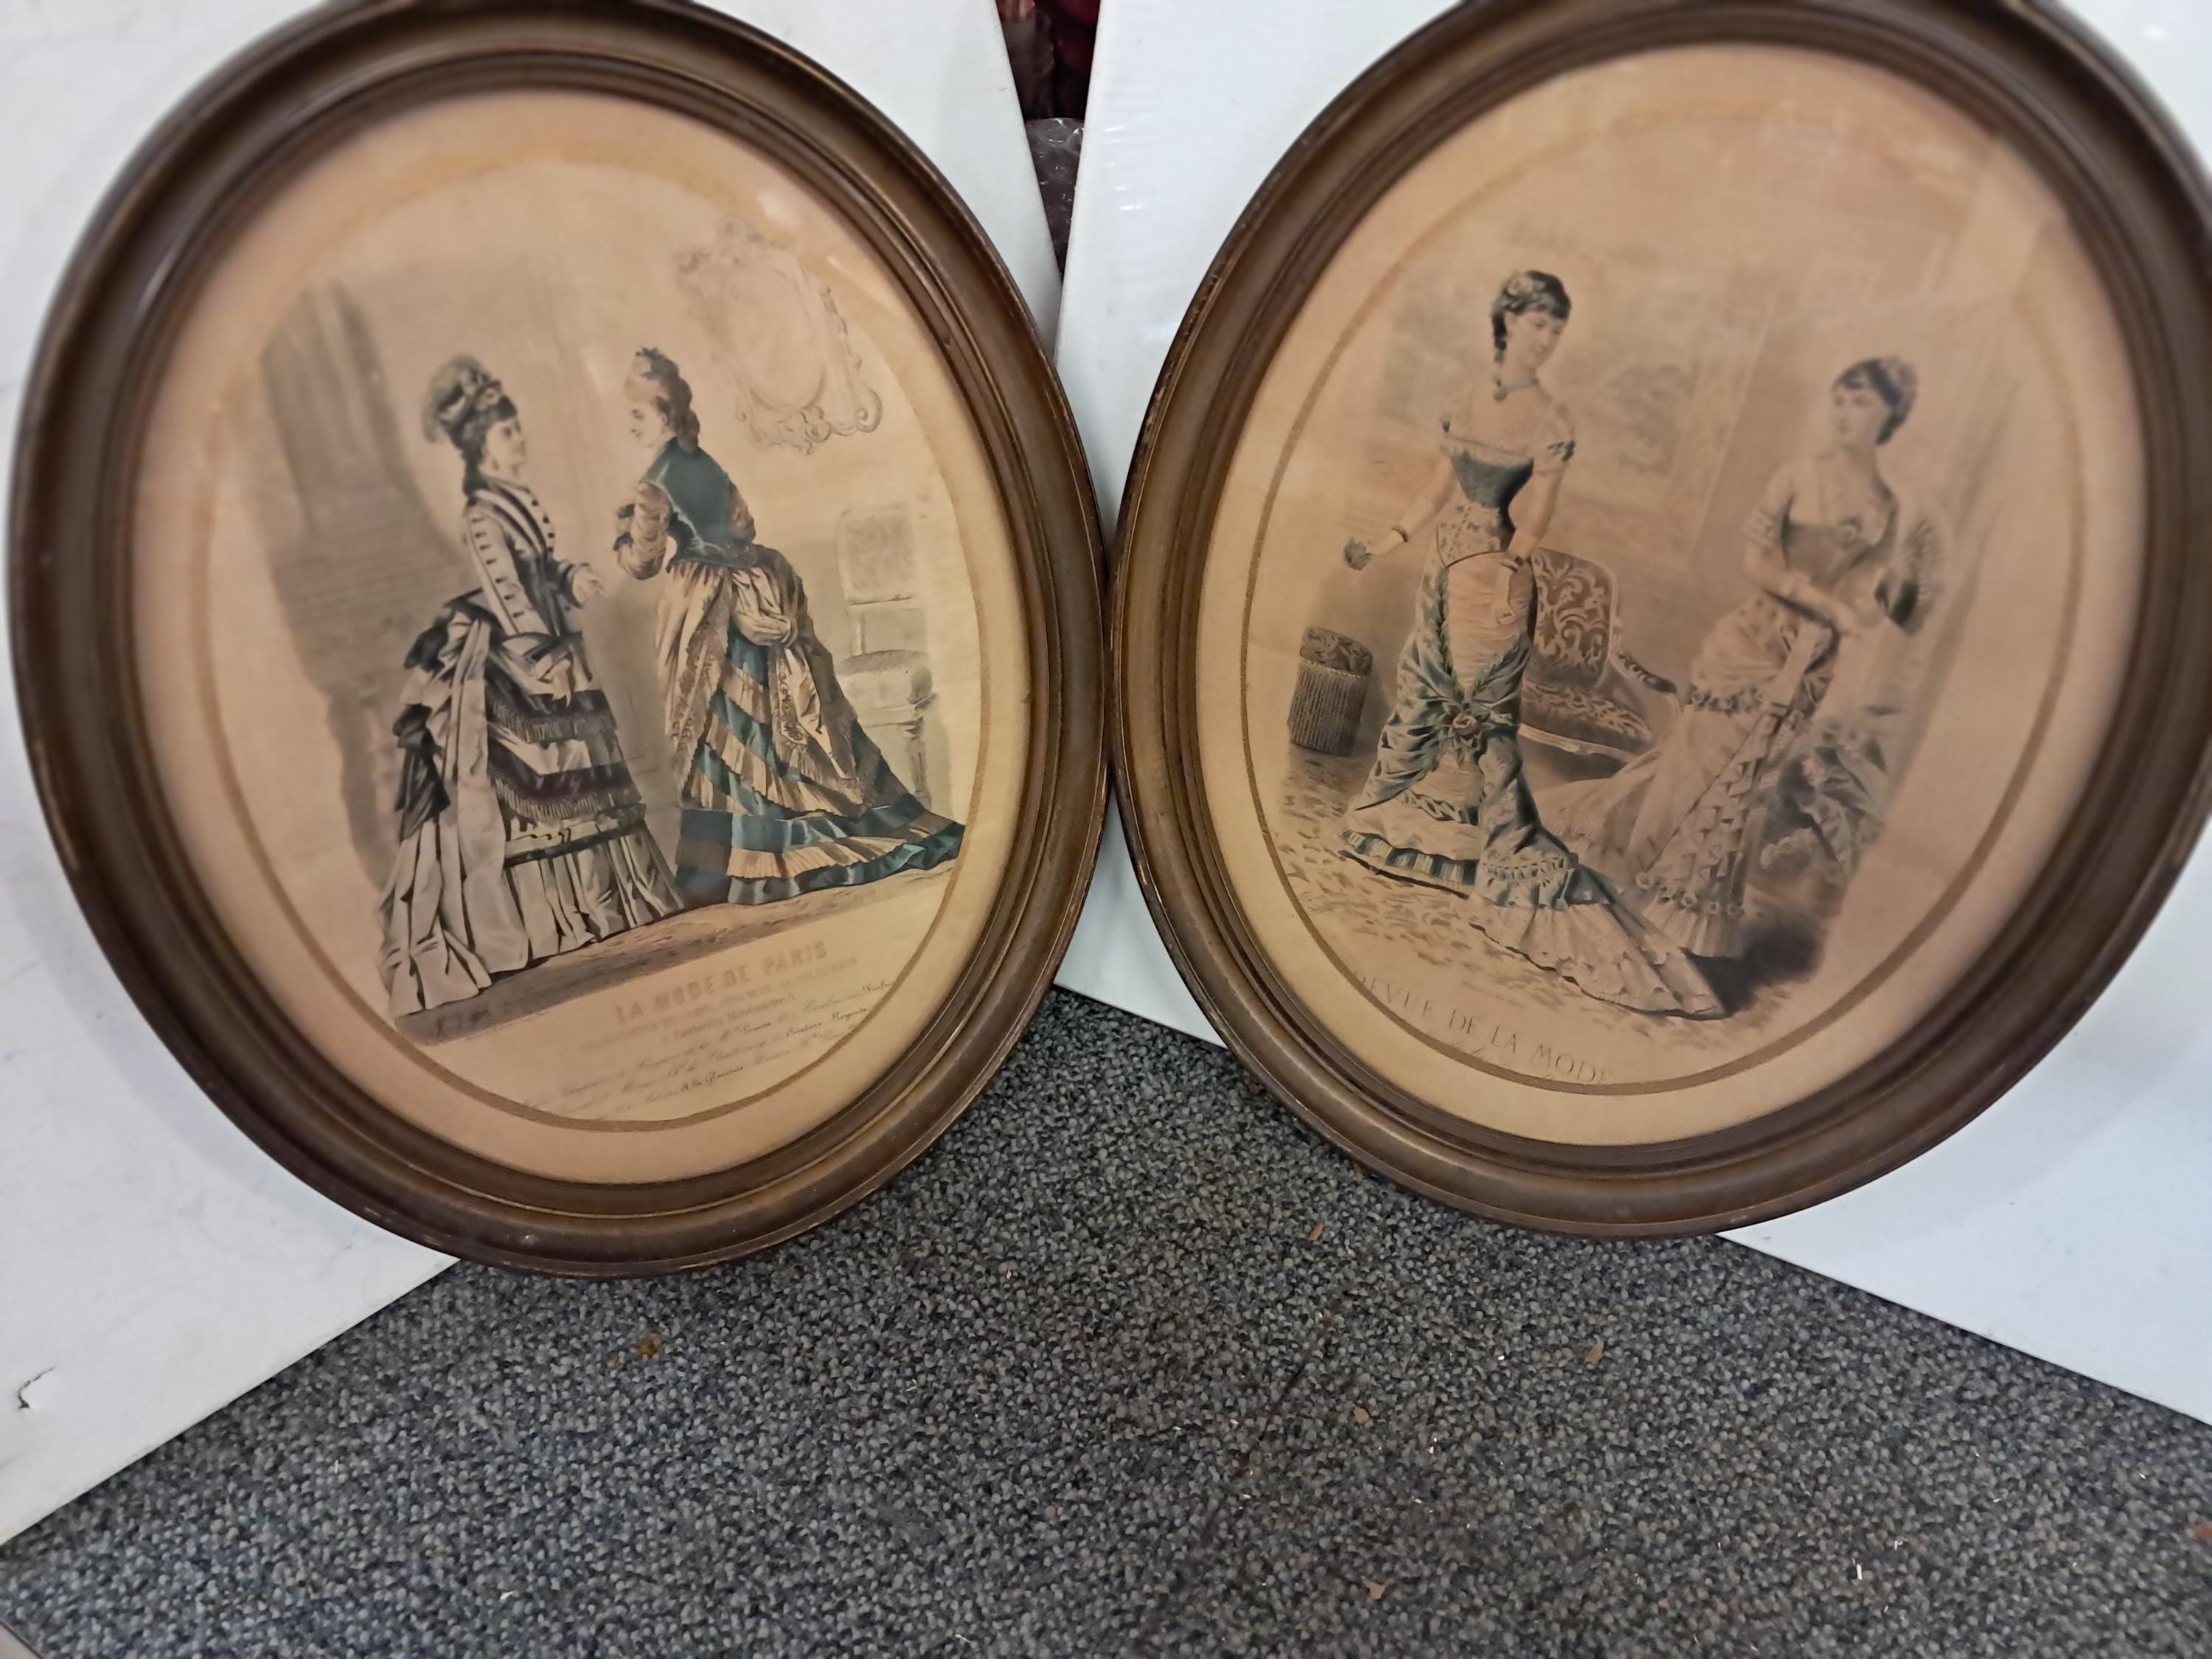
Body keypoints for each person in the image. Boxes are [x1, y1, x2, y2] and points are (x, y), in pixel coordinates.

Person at [1339, 271, 1719, 1018]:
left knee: (1479, 712)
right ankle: (1412, 837)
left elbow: (1539, 511)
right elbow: (1433, 488)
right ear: (1507, 320)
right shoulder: (1466, 398)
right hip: (1442, 563)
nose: (1548, 339)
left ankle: (1486, 847)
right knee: (1428, 692)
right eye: (1539, 323)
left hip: (1492, 570)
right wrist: (1384, 542)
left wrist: (1511, 569)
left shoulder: (1550, 416)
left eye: (1557, 329)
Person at [1548, 357, 1944, 957]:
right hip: (1753, 643)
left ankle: (1673, 917)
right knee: (1690, 767)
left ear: (1892, 414)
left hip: (1811, 662)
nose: (1844, 414)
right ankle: (1623, 886)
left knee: (1743, 789)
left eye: (1861, 402)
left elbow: (1865, 606)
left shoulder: (1889, 510)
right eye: (1839, 400)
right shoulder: (1797, 477)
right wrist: (1821, 602)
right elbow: (1758, 562)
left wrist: (1884, 596)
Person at [379, 357, 681, 1018]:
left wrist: (572, 577)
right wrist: (543, 657)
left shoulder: (516, 498)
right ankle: (557, 921)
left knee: (586, 780)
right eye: (508, 431)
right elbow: (508, 594)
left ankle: (607, 905)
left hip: (555, 643)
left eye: (517, 428)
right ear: (481, 445)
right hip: (521, 661)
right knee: (546, 785)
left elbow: (540, 569)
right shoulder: (481, 513)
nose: (519, 439)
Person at [613, 348, 962, 907]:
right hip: (757, 585)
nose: (633, 427)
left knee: (722, 731)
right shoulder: (708, 464)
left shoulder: (653, 484)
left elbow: (641, 562)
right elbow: (743, 525)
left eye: (638, 415)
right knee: (772, 724)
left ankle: (746, 865)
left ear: (664, 414)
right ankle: (796, 834)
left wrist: (624, 537)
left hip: (708, 609)